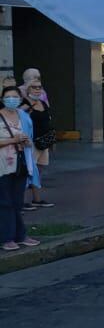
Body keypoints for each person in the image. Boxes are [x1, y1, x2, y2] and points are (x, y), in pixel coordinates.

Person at [0, 86, 38, 251]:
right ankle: (6, 237)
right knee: (5, 202)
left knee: (17, 202)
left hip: (20, 164)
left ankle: (20, 235)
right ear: (2, 99)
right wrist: (13, 140)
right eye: (8, 97)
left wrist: (26, 142)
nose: (11, 99)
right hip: (2, 165)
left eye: (15, 96)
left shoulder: (23, 116)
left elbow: (29, 137)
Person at [23, 80, 54, 208]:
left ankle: (37, 199)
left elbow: (48, 120)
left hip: (44, 142)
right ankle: (22, 200)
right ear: (27, 89)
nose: (37, 90)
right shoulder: (24, 105)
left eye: (39, 87)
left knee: (39, 171)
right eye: (33, 87)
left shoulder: (42, 103)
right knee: (28, 171)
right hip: (31, 143)